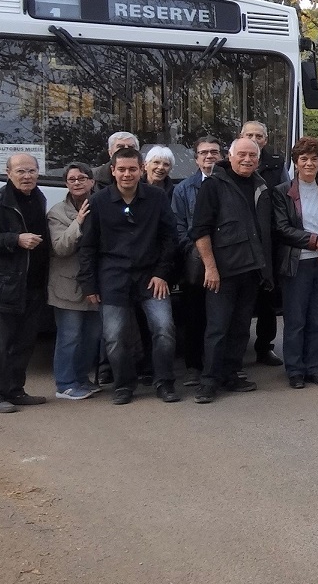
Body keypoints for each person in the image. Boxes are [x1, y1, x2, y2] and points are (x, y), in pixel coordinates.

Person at [79, 146, 181, 404]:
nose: (127, 174)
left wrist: (162, 273)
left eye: (132, 169)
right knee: (114, 337)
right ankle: (124, 385)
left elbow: (170, 238)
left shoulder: (157, 198)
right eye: (121, 169)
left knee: (164, 329)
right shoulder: (97, 202)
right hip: (113, 278)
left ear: (141, 169)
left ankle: (164, 382)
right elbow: (88, 246)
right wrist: (89, 284)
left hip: (152, 277)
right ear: (112, 171)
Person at [190, 137, 274, 403]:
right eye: (242, 155)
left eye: (253, 155)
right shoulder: (214, 185)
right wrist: (210, 268)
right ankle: (209, 381)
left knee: (240, 328)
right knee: (217, 328)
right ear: (230, 155)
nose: (247, 159)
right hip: (223, 272)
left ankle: (231, 373)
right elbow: (200, 231)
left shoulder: (261, 185)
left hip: (251, 271)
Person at [0, 153, 50, 413]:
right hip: (4, 287)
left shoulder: (38, 197)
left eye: (31, 171)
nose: (27, 176)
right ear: (8, 173)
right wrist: (14, 239)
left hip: (33, 285)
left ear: (38, 173)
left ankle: (15, 391)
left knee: (24, 343)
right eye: (21, 172)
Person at [272, 137, 318, 388]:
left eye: (314, 159)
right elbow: (282, 228)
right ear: (295, 163)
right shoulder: (282, 192)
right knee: (295, 320)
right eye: (303, 159)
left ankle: (314, 368)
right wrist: (316, 242)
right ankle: (294, 370)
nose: (309, 163)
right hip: (298, 263)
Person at [48, 162, 101, 400]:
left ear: (92, 181)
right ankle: (65, 383)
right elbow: (60, 248)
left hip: (96, 284)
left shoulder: (102, 204)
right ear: (66, 184)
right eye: (72, 179)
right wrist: (78, 221)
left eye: (82, 178)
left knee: (92, 336)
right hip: (67, 286)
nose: (77, 183)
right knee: (70, 336)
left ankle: (82, 379)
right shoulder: (57, 212)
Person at [171, 135, 222, 380]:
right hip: (195, 263)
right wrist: (198, 252)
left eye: (214, 152)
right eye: (204, 152)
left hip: (227, 261)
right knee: (195, 315)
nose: (209, 156)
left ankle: (222, 366)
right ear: (196, 159)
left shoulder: (229, 184)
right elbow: (178, 226)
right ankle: (194, 366)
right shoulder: (183, 189)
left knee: (222, 317)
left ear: (222, 157)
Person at [240, 120, 286, 365]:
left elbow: (282, 198)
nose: (255, 139)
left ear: (265, 141)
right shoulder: (232, 165)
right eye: (250, 135)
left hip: (270, 239)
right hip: (242, 242)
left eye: (259, 136)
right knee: (242, 300)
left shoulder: (276, 164)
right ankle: (236, 349)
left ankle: (264, 347)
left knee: (268, 298)